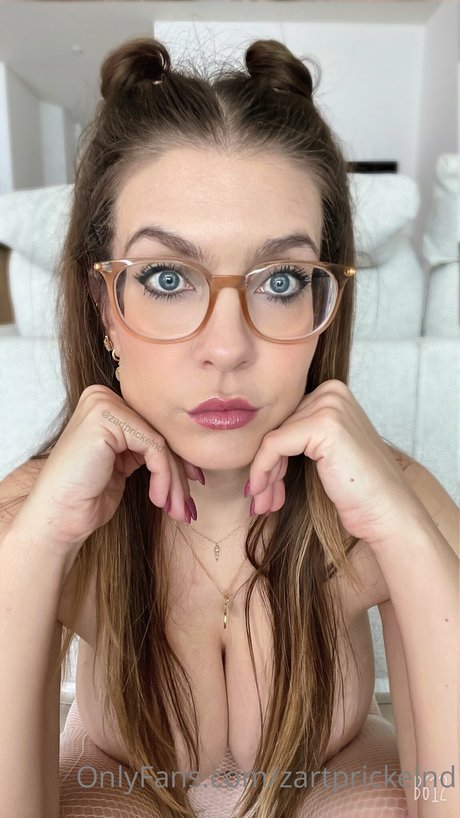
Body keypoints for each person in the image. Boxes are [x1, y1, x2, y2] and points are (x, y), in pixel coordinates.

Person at [0, 36, 457, 818]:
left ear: (324, 300)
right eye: (166, 277)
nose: (227, 348)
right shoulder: (37, 516)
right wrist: (39, 543)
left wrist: (406, 537)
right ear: (102, 305)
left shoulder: (394, 497)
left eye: (281, 281)